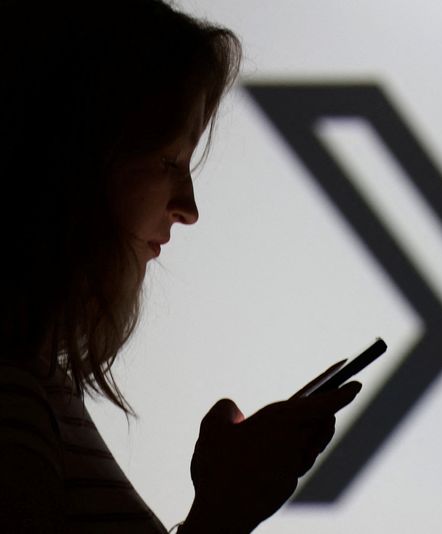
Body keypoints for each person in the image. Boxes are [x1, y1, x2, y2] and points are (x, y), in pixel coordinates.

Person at [0, 1, 361, 532]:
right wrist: (222, 511)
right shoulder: (13, 400)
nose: (188, 208)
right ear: (75, 162)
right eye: (169, 161)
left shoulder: (37, 390)